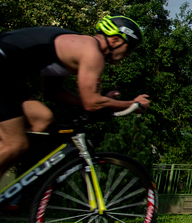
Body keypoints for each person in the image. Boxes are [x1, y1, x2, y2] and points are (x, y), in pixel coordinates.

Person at [0, 16, 151, 179]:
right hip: (4, 70)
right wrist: (132, 104)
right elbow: (92, 104)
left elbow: (53, 92)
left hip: (7, 73)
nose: (128, 55)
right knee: (15, 143)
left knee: (42, 119)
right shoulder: (93, 54)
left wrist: (99, 101)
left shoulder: (77, 47)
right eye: (129, 48)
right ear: (115, 40)